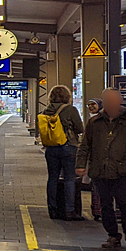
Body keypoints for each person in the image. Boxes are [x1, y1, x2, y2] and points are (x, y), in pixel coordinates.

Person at [76, 87, 126, 249]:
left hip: (125, 173)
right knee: (105, 206)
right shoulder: (95, 123)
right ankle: (113, 235)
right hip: (101, 172)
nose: (111, 103)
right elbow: (85, 146)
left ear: (120, 101)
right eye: (107, 100)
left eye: (113, 100)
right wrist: (81, 165)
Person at [39, 85, 84, 220]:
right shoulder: (70, 110)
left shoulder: (46, 110)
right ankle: (69, 211)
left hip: (51, 148)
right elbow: (80, 128)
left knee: (52, 178)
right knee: (69, 179)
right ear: (67, 96)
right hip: (68, 146)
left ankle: (52, 209)